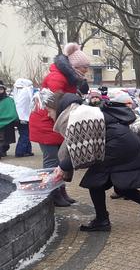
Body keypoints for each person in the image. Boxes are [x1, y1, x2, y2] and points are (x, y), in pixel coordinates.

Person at [48, 92, 140, 231]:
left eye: (49, 111)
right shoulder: (83, 111)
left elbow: (81, 149)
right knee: (123, 188)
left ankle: (102, 220)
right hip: (124, 144)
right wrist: (62, 166)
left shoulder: (79, 117)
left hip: (117, 147)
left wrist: (62, 167)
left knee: (95, 184)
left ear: (59, 109)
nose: (48, 115)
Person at [30, 43, 90, 206]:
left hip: (58, 123)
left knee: (61, 159)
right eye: (84, 67)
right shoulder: (57, 78)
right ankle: (52, 192)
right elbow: (54, 105)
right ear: (74, 66)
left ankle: (61, 190)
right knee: (51, 161)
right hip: (47, 124)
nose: (86, 70)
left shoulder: (70, 78)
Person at [12, 79, 34, 157]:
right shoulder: (25, 92)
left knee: (26, 134)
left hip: (22, 118)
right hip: (23, 118)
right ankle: (20, 152)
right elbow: (22, 107)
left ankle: (27, 150)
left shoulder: (19, 92)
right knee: (25, 135)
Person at [0, 81, 18, 159]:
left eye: (1, 89)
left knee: (3, 140)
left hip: (6, 124)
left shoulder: (8, 100)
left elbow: (12, 112)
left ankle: (3, 151)